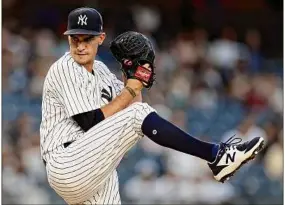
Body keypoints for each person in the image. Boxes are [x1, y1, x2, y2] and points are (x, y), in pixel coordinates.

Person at [40, 7, 265, 205]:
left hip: (95, 170)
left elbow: (134, 107)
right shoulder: (65, 68)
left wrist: (131, 73)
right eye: (75, 39)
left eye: (86, 39)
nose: (80, 46)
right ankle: (215, 155)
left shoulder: (102, 72)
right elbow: (90, 121)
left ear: (100, 38)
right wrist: (130, 87)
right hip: (66, 162)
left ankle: (217, 157)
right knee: (139, 115)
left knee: (138, 113)